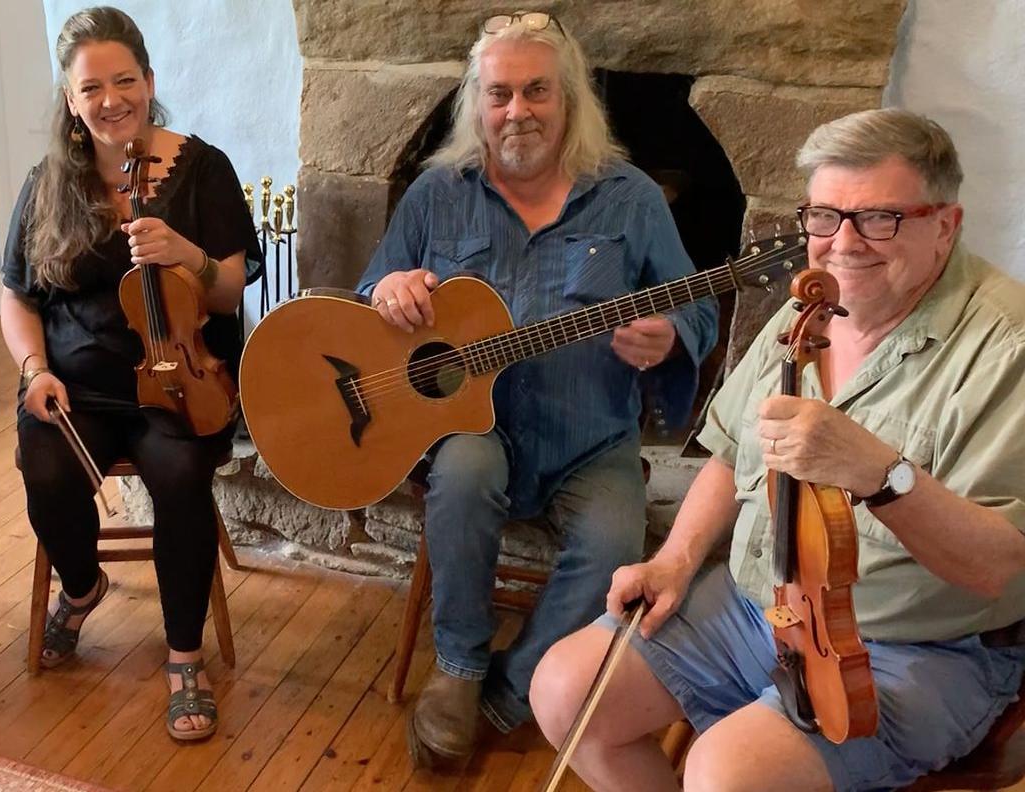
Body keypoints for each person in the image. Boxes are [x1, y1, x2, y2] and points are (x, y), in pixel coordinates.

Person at [531, 108, 1025, 792]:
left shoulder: (1007, 350)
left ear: (946, 223)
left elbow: (997, 567)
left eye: (879, 218)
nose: (843, 244)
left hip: (916, 645)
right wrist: (675, 560)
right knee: (564, 690)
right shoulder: (809, 313)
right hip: (757, 605)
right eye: (823, 217)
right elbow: (734, 451)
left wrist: (882, 475)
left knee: (727, 772)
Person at [356, 10, 718, 766]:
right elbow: (370, 296)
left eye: (536, 92)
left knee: (616, 541)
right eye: (499, 94)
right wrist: (387, 287)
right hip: (472, 428)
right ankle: (456, 668)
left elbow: (697, 302)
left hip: (592, 438)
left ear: (569, 99)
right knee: (462, 472)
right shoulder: (435, 194)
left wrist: (671, 333)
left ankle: (506, 691)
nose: (516, 111)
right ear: (476, 105)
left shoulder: (631, 198)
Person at [0, 6, 261, 743]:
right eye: (92, 88)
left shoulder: (200, 168)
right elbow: (17, 295)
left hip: (179, 376)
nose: (111, 99)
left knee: (179, 480)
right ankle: (82, 587)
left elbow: (228, 289)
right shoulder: (50, 180)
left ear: (149, 81)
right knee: (45, 469)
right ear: (71, 100)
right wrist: (32, 372)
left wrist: (184, 250)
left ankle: (184, 657)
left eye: (125, 81)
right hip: (76, 384)